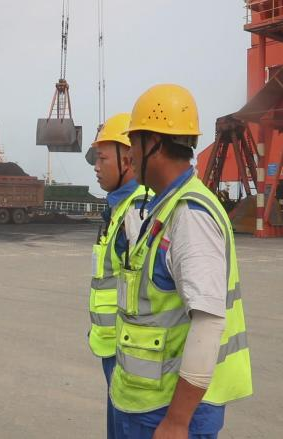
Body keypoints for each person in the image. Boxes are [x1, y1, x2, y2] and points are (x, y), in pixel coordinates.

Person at [111, 85, 253, 438]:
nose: (129, 155)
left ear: (154, 143)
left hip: (171, 413)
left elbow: (208, 323)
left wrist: (177, 420)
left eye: (134, 142)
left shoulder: (190, 215)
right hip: (145, 404)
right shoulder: (165, 206)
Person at [85, 113, 146, 439]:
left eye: (102, 158)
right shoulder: (119, 207)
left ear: (128, 159)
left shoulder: (139, 211)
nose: (96, 166)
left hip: (133, 354)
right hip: (115, 347)